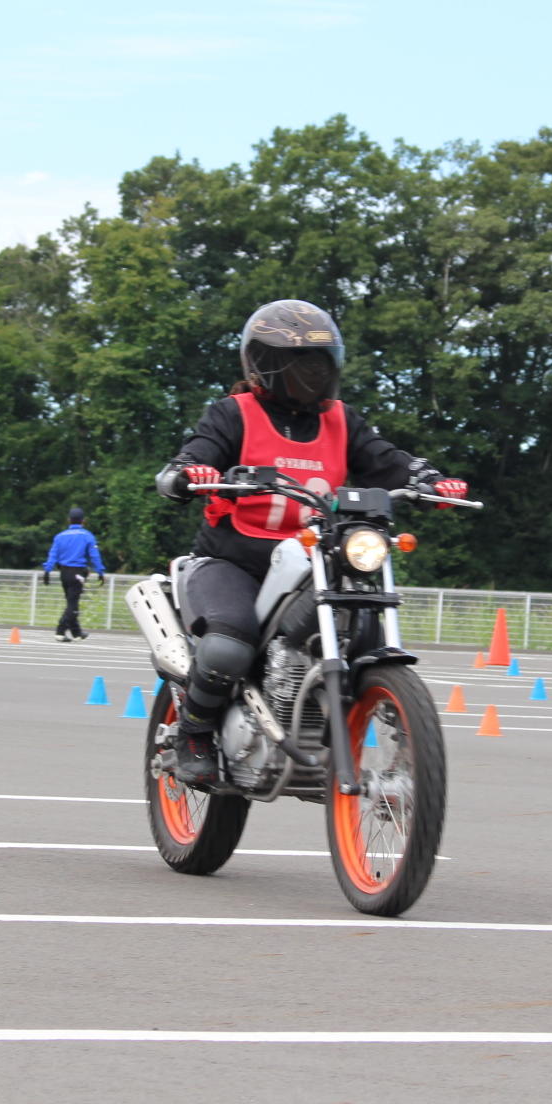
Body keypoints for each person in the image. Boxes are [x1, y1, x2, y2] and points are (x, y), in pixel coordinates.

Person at [153, 299, 467, 786]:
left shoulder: (342, 420)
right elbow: (198, 453)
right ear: (266, 366)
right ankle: (193, 733)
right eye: (304, 365)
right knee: (228, 646)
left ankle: (376, 736)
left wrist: (428, 479)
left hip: (316, 558)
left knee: (362, 633)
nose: (316, 375)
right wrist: (189, 472)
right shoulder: (233, 414)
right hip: (233, 560)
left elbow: (386, 461)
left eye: (323, 364)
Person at [42, 507, 106, 642]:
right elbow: (94, 556)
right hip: (78, 573)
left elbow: (52, 555)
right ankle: (60, 631)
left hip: (64, 573)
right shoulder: (87, 536)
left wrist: (47, 571)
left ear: (68, 520)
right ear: (84, 521)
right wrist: (100, 571)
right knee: (73, 605)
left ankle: (76, 633)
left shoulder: (60, 536)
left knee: (70, 601)